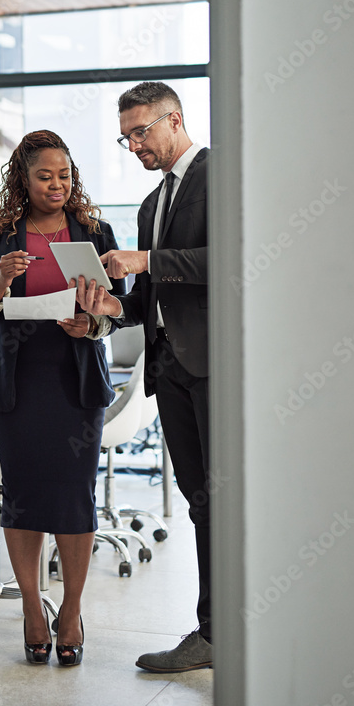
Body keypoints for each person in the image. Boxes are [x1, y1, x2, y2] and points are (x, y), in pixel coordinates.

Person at [0, 130, 125, 666]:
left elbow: (116, 305)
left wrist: (91, 323)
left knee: (75, 498)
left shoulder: (95, 230)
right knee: (26, 496)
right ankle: (33, 608)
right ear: (23, 179)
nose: (57, 185)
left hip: (74, 381)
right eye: (44, 176)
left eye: (64, 175)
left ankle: (72, 611)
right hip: (18, 383)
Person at [75, 81, 211, 674]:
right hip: (170, 369)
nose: (133, 146)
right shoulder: (151, 205)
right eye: (125, 137)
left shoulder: (221, 175)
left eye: (141, 132)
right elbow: (148, 299)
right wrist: (107, 314)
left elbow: (234, 254)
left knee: (227, 502)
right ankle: (214, 633)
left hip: (216, 366)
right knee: (200, 502)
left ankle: (232, 630)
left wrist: (145, 261)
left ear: (173, 119)